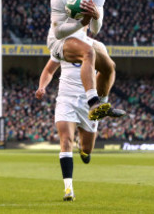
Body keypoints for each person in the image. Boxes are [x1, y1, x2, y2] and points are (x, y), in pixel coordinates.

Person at [47, 0, 125, 121]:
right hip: (59, 41)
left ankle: (102, 106)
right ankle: (93, 102)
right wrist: (82, 22)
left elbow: (95, 30)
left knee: (109, 67)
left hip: (80, 37)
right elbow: (58, 33)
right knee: (88, 52)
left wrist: (95, 17)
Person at [36, 56, 102, 202]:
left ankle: (83, 148)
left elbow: (107, 71)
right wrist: (42, 86)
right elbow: (48, 70)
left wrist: (102, 97)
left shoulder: (95, 47)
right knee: (66, 141)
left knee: (87, 149)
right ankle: (68, 189)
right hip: (66, 100)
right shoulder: (62, 46)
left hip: (88, 103)